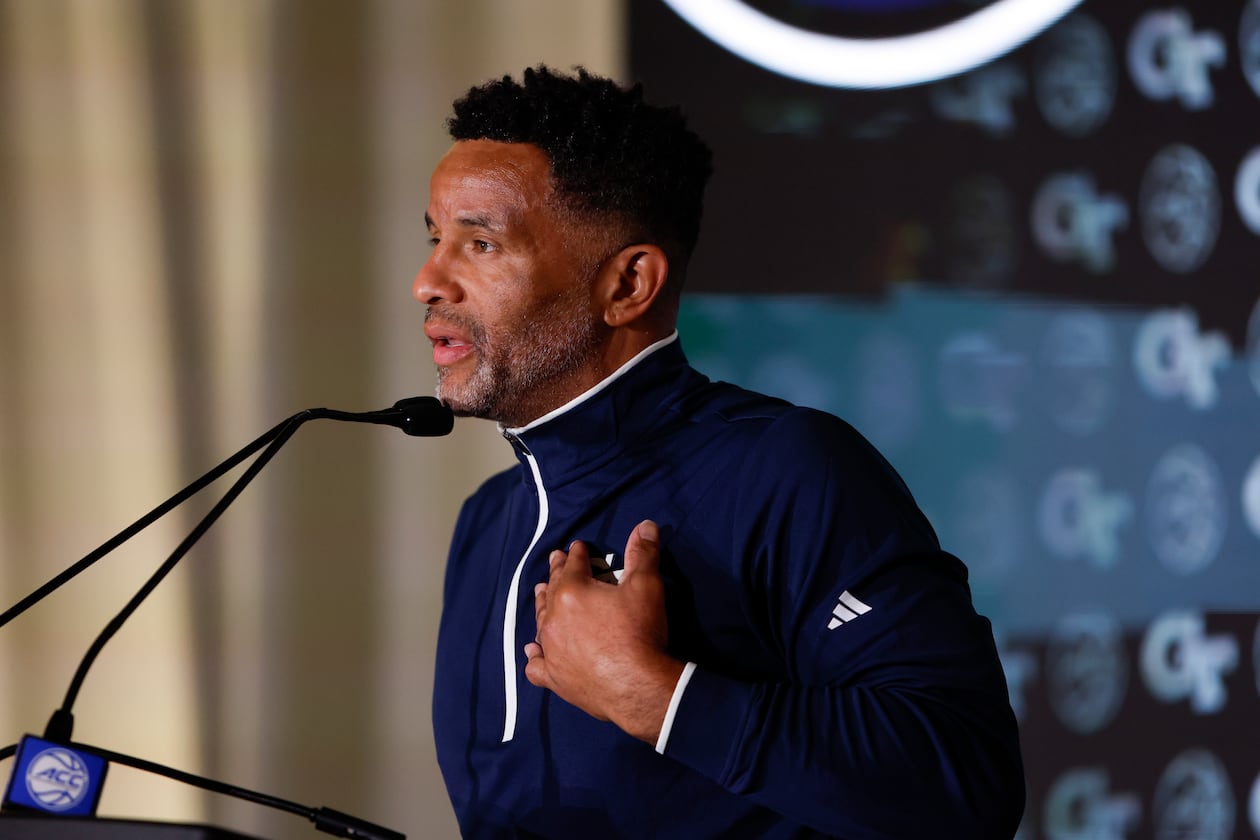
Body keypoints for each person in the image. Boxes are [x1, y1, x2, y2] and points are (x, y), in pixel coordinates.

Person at [419, 65, 1024, 839]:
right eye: (436, 240)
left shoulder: (787, 470)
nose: (427, 281)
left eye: (479, 242)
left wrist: (660, 697)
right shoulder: (485, 523)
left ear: (629, 284)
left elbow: (967, 785)